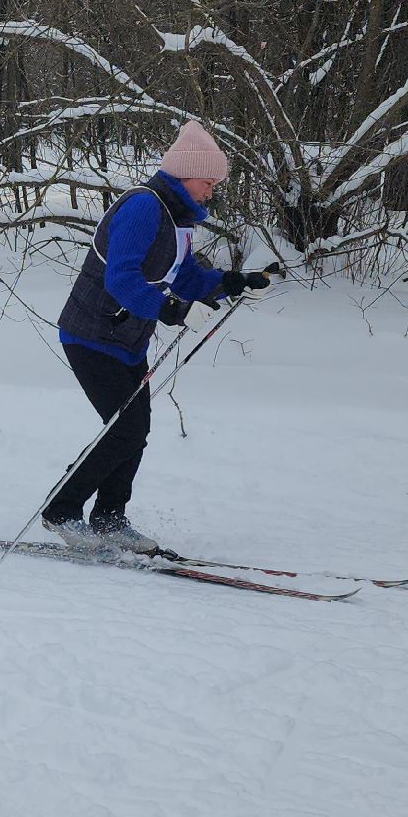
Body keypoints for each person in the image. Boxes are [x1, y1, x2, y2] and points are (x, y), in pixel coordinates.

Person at [44, 120, 270, 555]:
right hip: (91, 334)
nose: (210, 192)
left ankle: (110, 519)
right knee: (125, 430)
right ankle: (61, 510)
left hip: (128, 341)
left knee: (136, 431)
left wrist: (234, 282)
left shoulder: (176, 218)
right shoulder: (143, 208)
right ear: (186, 175)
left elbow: (183, 276)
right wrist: (173, 311)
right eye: (209, 182)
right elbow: (122, 280)